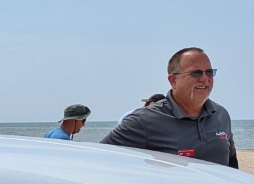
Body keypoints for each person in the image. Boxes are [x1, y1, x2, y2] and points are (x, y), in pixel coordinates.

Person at [100, 48, 238, 168]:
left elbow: (231, 164)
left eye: (209, 72)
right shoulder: (145, 120)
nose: (204, 79)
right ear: (173, 80)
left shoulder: (221, 115)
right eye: (196, 73)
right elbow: (100, 157)